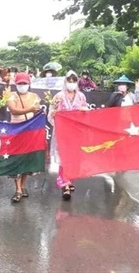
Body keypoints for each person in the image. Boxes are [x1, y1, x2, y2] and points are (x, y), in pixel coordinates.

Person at [48, 70, 88, 200]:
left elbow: (86, 113)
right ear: (65, 82)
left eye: (73, 81)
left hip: (75, 133)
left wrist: (83, 111)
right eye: (69, 81)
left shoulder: (81, 96)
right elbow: (50, 115)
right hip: (62, 132)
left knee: (73, 158)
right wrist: (54, 113)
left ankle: (70, 180)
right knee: (63, 158)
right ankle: (64, 184)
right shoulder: (58, 97)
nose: (71, 84)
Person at [6, 72, 43, 203]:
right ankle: (18, 190)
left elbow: (37, 109)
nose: (22, 86)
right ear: (16, 84)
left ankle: (22, 186)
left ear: (29, 84)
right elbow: (13, 110)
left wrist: (33, 109)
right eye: (20, 83)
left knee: (27, 161)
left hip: (30, 133)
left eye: (25, 83)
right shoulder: (11, 96)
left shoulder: (35, 96)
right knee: (17, 160)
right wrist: (30, 109)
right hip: (16, 132)